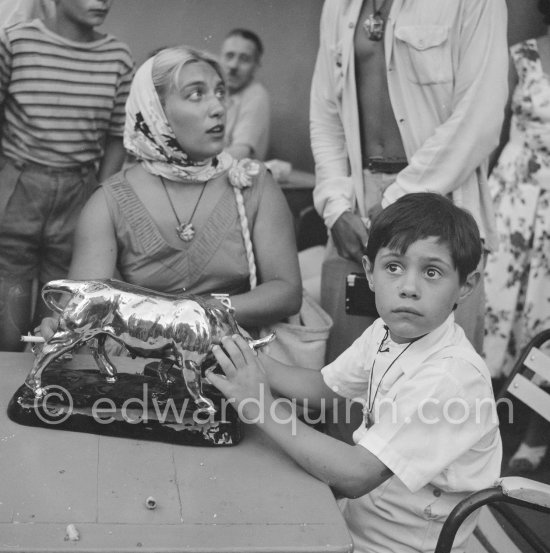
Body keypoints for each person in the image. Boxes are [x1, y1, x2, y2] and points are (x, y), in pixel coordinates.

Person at [208, 192, 502, 553]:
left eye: (432, 272)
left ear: (466, 286)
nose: (409, 288)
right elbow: (322, 387)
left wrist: (259, 405)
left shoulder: (450, 378)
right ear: (369, 272)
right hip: (359, 519)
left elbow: (355, 474)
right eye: (394, 266)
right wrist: (244, 356)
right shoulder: (385, 331)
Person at [39, 45, 301, 340]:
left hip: (239, 362)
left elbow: (286, 292)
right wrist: (62, 323)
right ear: (155, 110)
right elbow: (86, 303)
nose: (218, 108)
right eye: (196, 94)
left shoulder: (254, 183)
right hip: (139, 366)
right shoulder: (109, 202)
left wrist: (199, 311)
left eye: (219, 92)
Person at [310, 0, 509, 365]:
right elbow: (326, 113)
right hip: (354, 206)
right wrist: (335, 207)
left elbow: (480, 117)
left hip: (443, 197)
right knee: (347, 378)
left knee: (439, 379)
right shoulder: (338, 5)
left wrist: (397, 198)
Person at [0, 0, 134, 351]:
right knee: (9, 289)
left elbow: (117, 136)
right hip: (18, 185)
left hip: (80, 190)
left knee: (62, 298)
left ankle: (44, 386)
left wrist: (97, 195)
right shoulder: (16, 41)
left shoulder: (117, 56)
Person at [484, 0, 550, 474]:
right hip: (512, 197)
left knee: (544, 316)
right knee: (494, 306)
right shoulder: (521, 55)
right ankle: (478, 424)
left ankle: (536, 433)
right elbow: (489, 132)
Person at [220, 28, 270, 161]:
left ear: (256, 65)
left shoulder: (256, 95)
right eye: (229, 56)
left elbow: (241, 152)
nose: (233, 65)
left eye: (244, 59)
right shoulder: (216, 93)